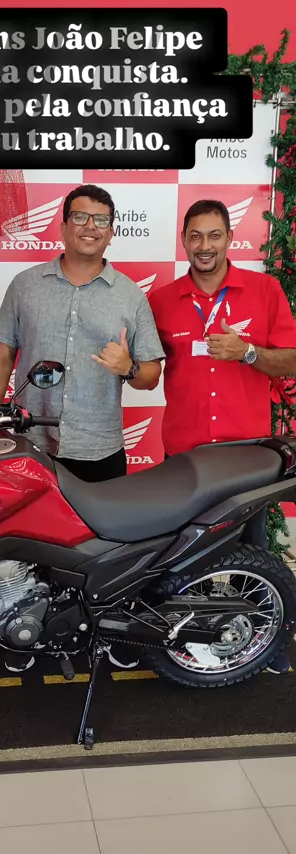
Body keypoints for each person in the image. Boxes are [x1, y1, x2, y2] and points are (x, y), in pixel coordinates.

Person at [0, 183, 165, 672]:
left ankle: (113, 630)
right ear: (63, 225)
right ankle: (28, 631)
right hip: (30, 445)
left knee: (108, 553)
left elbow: (151, 375)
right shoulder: (26, 285)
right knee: (29, 544)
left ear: (112, 232)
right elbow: (1, 356)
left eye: (101, 220)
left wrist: (128, 367)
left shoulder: (129, 295)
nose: (90, 227)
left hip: (99, 446)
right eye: (80, 217)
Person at [149, 198, 296, 674]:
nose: (205, 245)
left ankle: (266, 641)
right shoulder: (161, 300)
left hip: (245, 455)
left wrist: (248, 352)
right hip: (184, 454)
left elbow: (292, 358)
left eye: (214, 235)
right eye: (195, 236)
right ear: (184, 240)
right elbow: (147, 371)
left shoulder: (265, 290)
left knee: (253, 551)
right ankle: (168, 638)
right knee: (176, 553)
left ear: (230, 238)